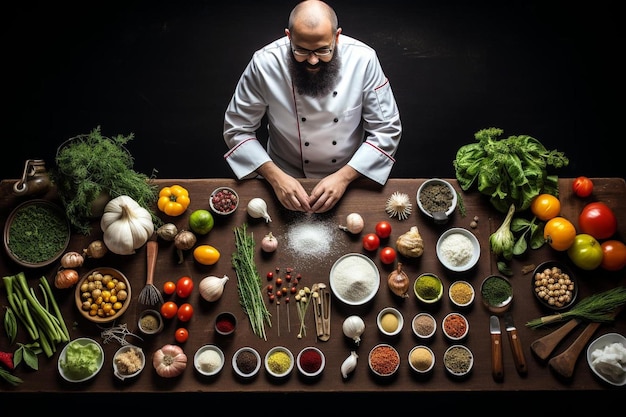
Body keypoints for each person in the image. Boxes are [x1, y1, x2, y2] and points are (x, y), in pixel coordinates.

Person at [223, 0, 402, 213]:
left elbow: (386, 130)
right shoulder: (265, 63)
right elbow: (237, 129)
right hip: (283, 177)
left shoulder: (364, 59)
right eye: (301, 50)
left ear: (337, 36)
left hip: (350, 174)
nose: (313, 60)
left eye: (323, 50)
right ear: (289, 36)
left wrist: (344, 177)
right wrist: (275, 176)